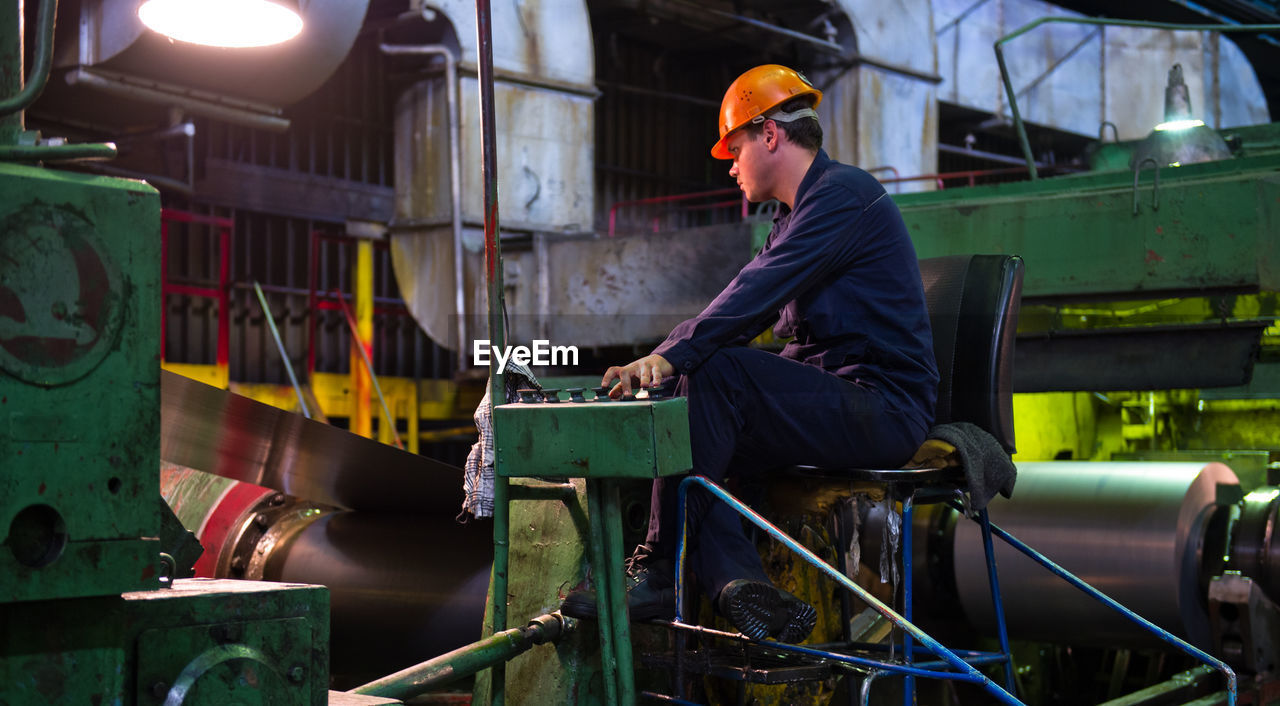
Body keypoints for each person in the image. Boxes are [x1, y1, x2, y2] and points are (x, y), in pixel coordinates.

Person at [561, 64, 939, 644]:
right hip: (840, 396)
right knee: (703, 384)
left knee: (715, 374)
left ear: (769, 135)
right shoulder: (793, 218)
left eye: (734, 149)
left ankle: (663, 567)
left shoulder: (844, 196)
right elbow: (752, 304)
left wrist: (670, 358)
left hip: (882, 407)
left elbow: (754, 293)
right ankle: (735, 584)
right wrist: (663, 363)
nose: (731, 166)